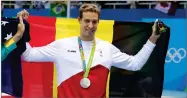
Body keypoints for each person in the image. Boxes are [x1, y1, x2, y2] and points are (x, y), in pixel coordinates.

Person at [20, 3, 163, 98]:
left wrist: (153, 38)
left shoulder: (107, 48)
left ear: (98, 22)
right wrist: (21, 32)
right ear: (79, 20)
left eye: (94, 21)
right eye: (87, 21)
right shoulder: (62, 46)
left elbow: (135, 64)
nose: (90, 25)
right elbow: (29, 55)